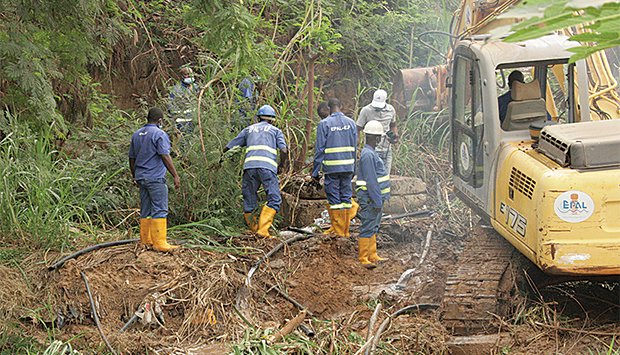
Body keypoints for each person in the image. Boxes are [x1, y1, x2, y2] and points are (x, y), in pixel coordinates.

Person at [224, 104, 288, 238]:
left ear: (258, 118)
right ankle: (263, 230)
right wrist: (281, 165)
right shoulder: (275, 131)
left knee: (249, 198)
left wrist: (220, 159)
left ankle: (253, 229)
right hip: (267, 168)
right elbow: (283, 150)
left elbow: (230, 146)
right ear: (272, 119)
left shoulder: (248, 130)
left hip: (249, 168)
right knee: (274, 198)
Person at [129, 107, 181, 252]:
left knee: (146, 208)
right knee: (160, 208)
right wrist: (175, 175)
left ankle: (146, 240)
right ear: (159, 120)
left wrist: (134, 175)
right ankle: (160, 243)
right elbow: (165, 155)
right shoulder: (159, 134)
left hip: (141, 177)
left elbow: (131, 158)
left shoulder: (136, 134)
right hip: (155, 178)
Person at [312, 98, 358, 237]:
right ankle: (345, 231)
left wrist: (315, 171)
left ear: (329, 107)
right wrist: (354, 168)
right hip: (347, 167)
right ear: (341, 106)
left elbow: (320, 149)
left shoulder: (324, 124)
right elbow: (355, 147)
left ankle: (338, 232)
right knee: (346, 197)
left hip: (332, 168)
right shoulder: (351, 123)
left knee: (335, 200)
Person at [356, 120, 390, 268]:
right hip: (370, 198)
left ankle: (372, 254)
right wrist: (376, 200)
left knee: (374, 225)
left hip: (376, 198)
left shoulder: (371, 153)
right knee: (368, 225)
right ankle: (363, 258)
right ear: (376, 138)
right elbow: (371, 181)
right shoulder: (368, 155)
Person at [356, 89, 398, 174]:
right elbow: (357, 128)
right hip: (372, 150)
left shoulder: (391, 110)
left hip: (386, 150)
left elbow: (393, 125)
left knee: (385, 177)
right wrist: (356, 146)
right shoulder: (366, 110)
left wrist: (395, 136)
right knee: (372, 176)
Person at [168, 66, 200, 135]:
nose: (189, 76)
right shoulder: (177, 89)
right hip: (181, 122)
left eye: (190, 74)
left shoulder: (196, 87)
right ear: (182, 76)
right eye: (186, 74)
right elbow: (171, 106)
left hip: (194, 121)